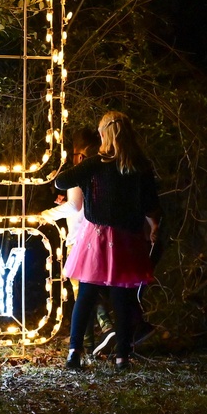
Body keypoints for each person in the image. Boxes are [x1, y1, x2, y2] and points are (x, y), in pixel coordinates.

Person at [47, 111, 161, 371]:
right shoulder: (139, 165)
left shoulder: (97, 163)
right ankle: (122, 356)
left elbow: (62, 181)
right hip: (127, 239)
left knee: (86, 293)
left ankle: (74, 353)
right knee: (122, 295)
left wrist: (79, 170)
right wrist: (154, 226)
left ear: (103, 135)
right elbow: (150, 203)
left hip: (96, 238)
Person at [42, 128, 116, 357]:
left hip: (80, 240)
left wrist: (47, 214)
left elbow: (75, 206)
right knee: (89, 290)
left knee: (83, 293)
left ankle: (98, 334)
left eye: (73, 154)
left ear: (80, 155)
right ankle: (95, 342)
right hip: (97, 236)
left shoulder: (80, 171)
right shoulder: (103, 170)